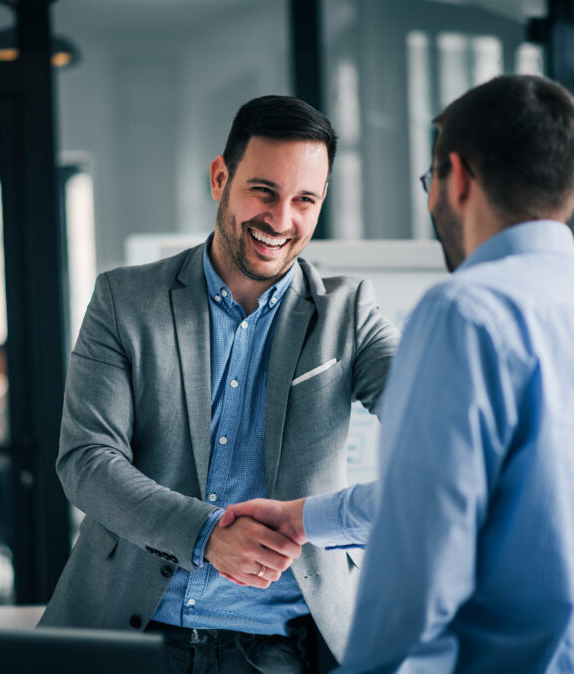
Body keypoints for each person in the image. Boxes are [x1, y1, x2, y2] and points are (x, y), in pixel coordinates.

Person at [223, 75, 574, 672]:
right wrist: (302, 518)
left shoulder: (464, 313)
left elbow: (418, 554)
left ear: (459, 178)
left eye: (431, 180)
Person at [39, 95, 400, 673]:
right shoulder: (124, 300)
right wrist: (205, 533)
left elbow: (433, 410)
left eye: (304, 200)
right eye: (264, 191)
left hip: (274, 651)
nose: (281, 220)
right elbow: (86, 460)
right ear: (220, 177)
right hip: (128, 633)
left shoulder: (348, 312)